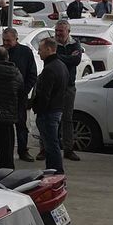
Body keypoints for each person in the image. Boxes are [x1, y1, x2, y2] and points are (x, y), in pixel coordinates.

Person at [30, 37, 71, 174]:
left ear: (49, 49)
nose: (38, 52)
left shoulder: (50, 69)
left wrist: (38, 109)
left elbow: (44, 95)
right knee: (52, 144)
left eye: (40, 50)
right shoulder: (61, 66)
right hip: (56, 109)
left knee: (50, 145)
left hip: (48, 112)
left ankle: (56, 172)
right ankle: (52, 170)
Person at [0, 27, 37, 160]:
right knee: (4, 127)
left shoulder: (25, 52)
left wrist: (24, 91)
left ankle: (23, 150)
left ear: (16, 39)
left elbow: (32, 74)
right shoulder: (0, 51)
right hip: (3, 97)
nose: (5, 43)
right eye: (4, 40)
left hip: (20, 97)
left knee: (21, 125)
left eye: (8, 40)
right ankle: (4, 151)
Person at [51, 21, 84, 161]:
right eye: (57, 30)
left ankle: (68, 149)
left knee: (67, 119)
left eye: (61, 31)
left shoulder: (75, 44)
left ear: (68, 31)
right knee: (51, 118)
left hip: (68, 86)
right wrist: (66, 59)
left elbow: (75, 60)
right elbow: (49, 58)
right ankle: (46, 148)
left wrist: (57, 57)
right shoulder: (50, 43)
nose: (58, 33)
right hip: (53, 86)